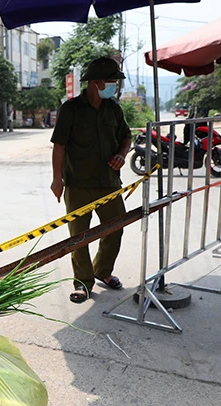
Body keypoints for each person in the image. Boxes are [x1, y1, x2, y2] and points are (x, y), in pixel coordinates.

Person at [50, 57, 132, 304]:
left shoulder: (113, 109)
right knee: (79, 237)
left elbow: (125, 137)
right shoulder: (71, 109)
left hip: (109, 183)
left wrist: (121, 154)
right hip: (77, 184)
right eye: (111, 82)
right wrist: (57, 179)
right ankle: (83, 283)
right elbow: (59, 146)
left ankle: (103, 271)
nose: (114, 86)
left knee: (115, 229)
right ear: (96, 83)